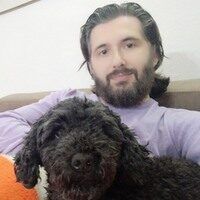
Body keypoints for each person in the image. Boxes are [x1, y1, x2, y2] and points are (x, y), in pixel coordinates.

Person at [0, 2, 200, 165]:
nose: (118, 61)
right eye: (103, 51)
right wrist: (52, 159)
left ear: (154, 54)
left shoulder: (181, 126)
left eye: (129, 45)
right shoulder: (65, 100)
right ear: (91, 65)